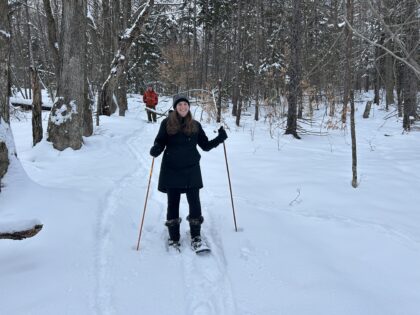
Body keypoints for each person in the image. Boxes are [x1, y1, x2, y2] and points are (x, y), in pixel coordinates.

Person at [149, 95, 228, 252]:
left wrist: (220, 138)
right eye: (180, 105)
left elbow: (205, 146)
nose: (183, 107)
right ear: (175, 107)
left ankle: (196, 237)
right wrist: (156, 148)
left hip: (191, 169)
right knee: (173, 203)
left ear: (189, 107)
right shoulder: (167, 123)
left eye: (185, 104)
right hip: (171, 169)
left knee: (195, 203)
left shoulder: (195, 125)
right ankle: (174, 239)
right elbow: (160, 141)